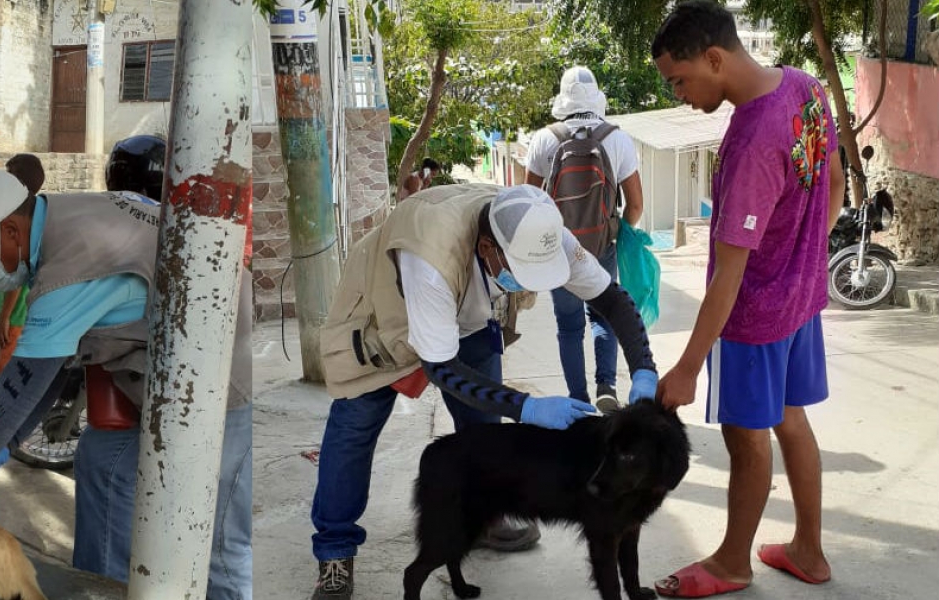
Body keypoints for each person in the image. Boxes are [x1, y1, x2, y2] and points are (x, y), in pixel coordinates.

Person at [0, 169, 252, 599]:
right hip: (164, 374)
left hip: (221, 385)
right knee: (104, 462)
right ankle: (97, 588)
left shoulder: (71, 269)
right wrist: (1, 445)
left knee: (221, 545)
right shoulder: (68, 215)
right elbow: (45, 380)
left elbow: (11, 396)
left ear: (11, 229)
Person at [308, 183, 659, 600]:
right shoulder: (431, 255)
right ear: (489, 247)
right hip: (381, 320)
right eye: (519, 271)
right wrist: (525, 406)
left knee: (486, 436)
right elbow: (440, 367)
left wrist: (644, 369)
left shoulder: (543, 232)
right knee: (354, 431)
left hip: (466, 319)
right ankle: (335, 552)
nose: (521, 284)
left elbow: (613, 301)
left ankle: (485, 512)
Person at [649, 2, 843, 596]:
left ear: (714, 58)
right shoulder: (805, 87)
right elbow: (834, 181)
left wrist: (685, 368)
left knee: (747, 438)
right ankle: (808, 549)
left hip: (755, 318)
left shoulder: (753, 142)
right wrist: (805, 256)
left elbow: (727, 277)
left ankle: (733, 563)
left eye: (679, 79)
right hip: (801, 302)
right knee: (791, 420)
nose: (678, 94)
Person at [525, 66, 645, 413]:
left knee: (568, 326)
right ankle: (606, 386)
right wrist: (613, 235)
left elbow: (527, 203)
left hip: (557, 249)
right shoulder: (618, 139)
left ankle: (578, 400)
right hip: (601, 247)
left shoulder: (544, 139)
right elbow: (635, 204)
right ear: (597, 100)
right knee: (603, 316)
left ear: (563, 99)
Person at [0, 154, 45, 374]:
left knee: (8, 369)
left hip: (17, 313)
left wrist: (4, 317)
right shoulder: (36, 211)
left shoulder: (18, 221)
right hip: (28, 310)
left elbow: (17, 275)